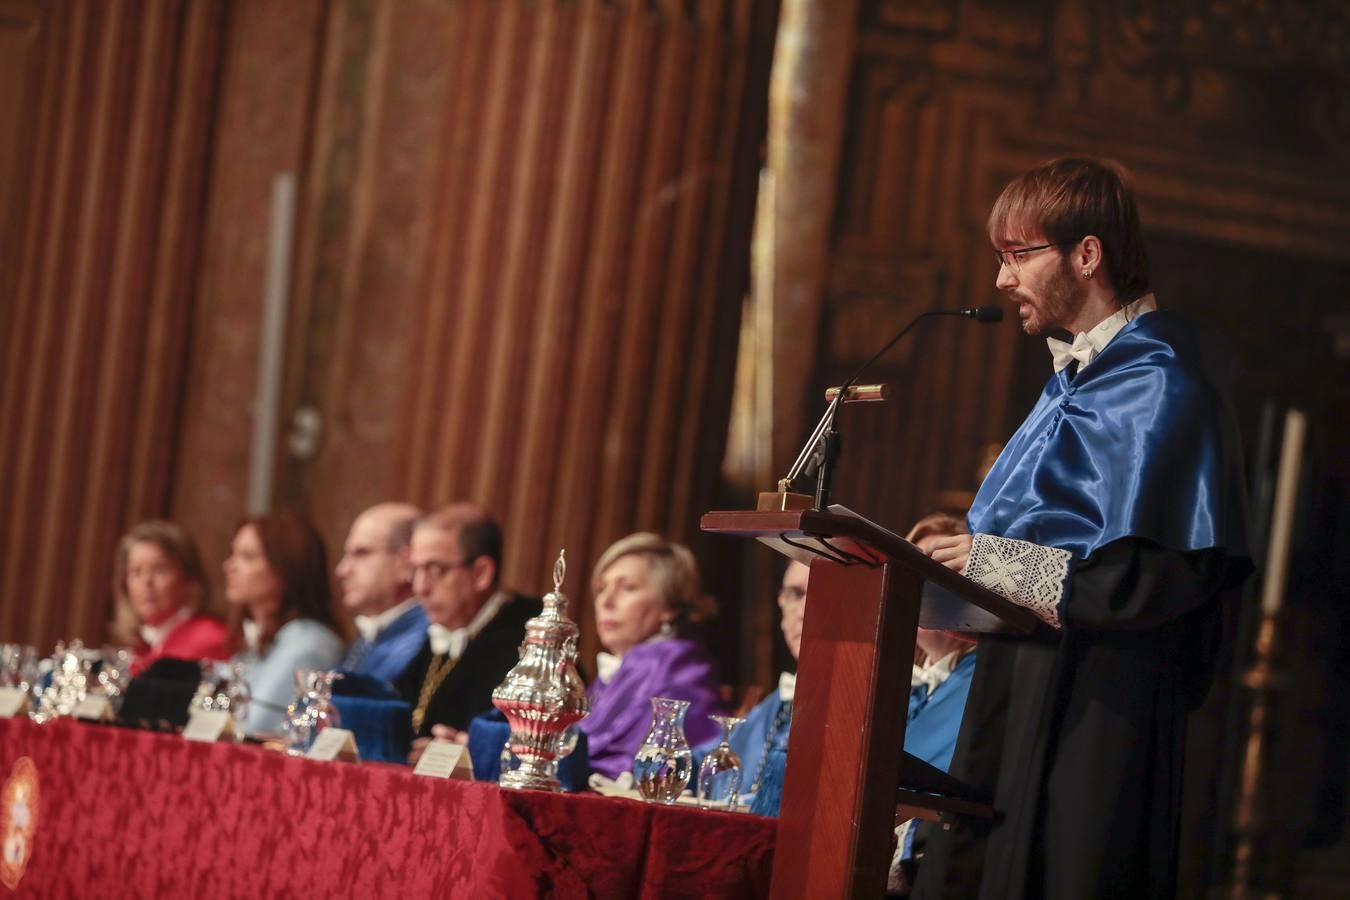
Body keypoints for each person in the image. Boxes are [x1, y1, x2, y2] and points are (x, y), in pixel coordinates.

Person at [913, 157, 1252, 900]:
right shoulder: (1073, 383)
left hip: (1097, 706)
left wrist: (991, 563)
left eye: (1017, 255)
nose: (1001, 279)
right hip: (1019, 685)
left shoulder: (1164, 381)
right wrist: (960, 561)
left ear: (1087, 254)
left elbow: (1153, 578)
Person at [393, 503, 539, 763]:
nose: (420, 587)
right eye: (416, 570)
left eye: (436, 570)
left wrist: (479, 749)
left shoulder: (531, 641)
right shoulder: (441, 635)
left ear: (481, 573)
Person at [582, 532, 722, 780]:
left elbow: (641, 768)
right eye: (602, 588)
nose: (606, 601)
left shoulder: (678, 668)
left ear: (669, 606)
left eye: (628, 588)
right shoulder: (616, 674)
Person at [223, 511, 346, 736]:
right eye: (233, 554)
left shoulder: (310, 641)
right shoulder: (258, 637)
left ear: (287, 568)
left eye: (247, 557)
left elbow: (255, 724)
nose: (229, 566)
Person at [112, 520, 230, 676]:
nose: (146, 582)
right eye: (136, 572)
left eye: (159, 569)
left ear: (189, 578)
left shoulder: (207, 639)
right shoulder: (144, 647)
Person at [334, 502, 427, 684]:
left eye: (361, 553)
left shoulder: (423, 642)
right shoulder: (372, 634)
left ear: (405, 563)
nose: (342, 570)